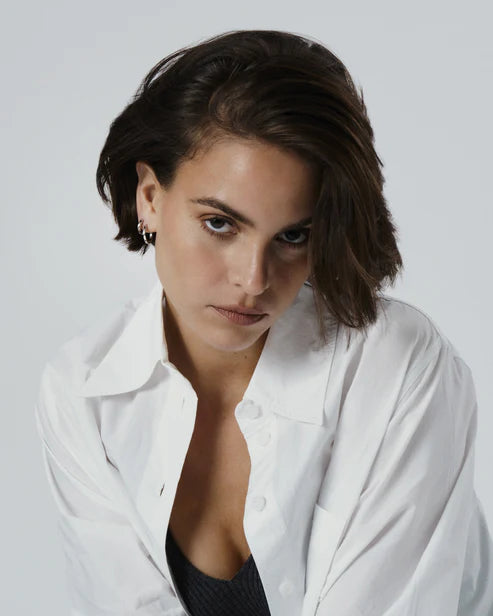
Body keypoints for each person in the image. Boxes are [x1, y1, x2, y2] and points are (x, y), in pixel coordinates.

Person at [34, 29, 493, 616]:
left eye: (293, 236)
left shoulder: (394, 366)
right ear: (149, 196)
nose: (254, 279)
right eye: (220, 224)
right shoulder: (85, 393)